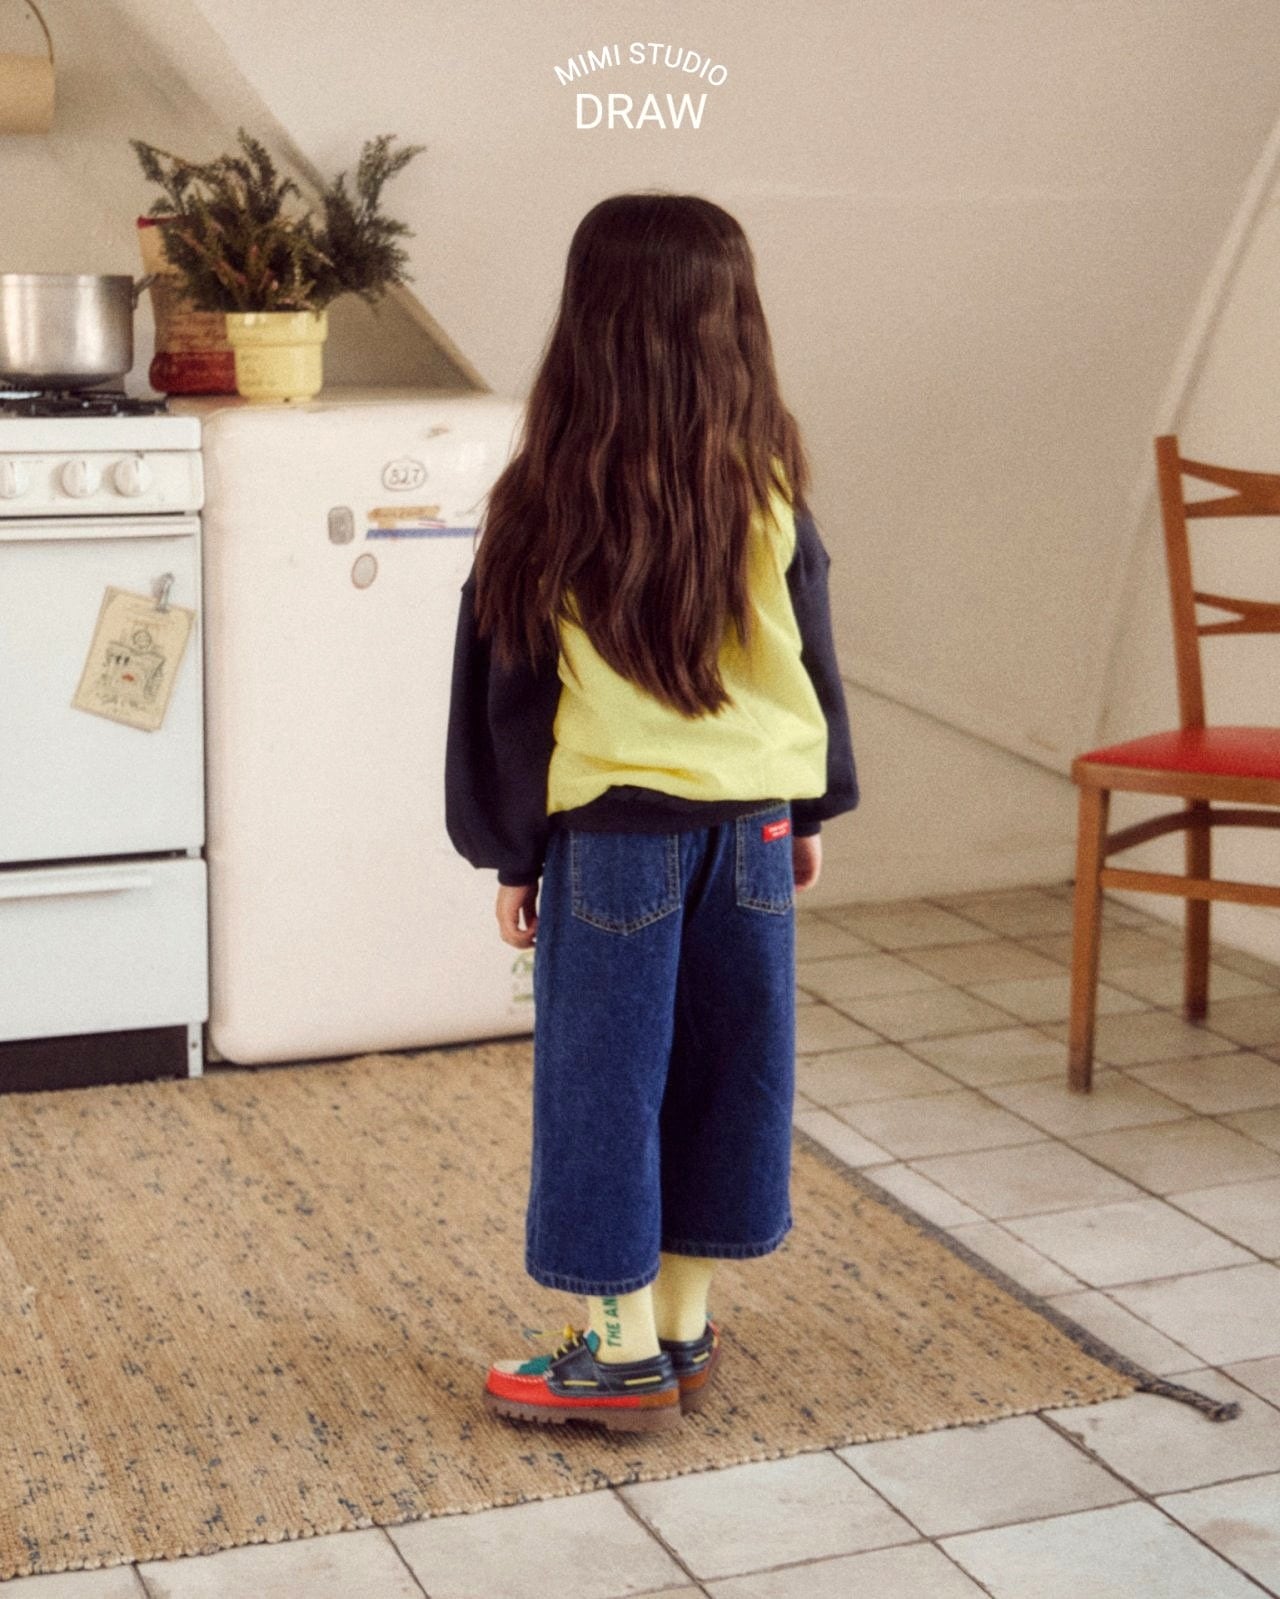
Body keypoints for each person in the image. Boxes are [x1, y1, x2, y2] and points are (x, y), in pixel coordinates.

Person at [445, 191, 858, 1434]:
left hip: (616, 842)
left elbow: (508, 697)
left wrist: (511, 856)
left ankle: (616, 1355)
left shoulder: (546, 495)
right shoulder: (768, 487)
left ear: (587, 322)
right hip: (753, 830)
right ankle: (681, 1322)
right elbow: (810, 660)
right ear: (734, 324)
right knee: (728, 1069)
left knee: (602, 1087)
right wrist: (808, 812)